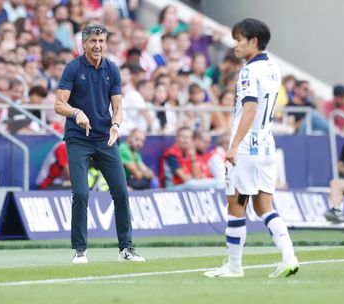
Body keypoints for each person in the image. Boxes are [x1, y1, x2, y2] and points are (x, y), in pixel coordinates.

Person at [204, 18, 299, 278]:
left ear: (253, 41)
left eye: (239, 39)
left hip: (246, 147)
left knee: (235, 207)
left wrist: (233, 145)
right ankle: (289, 257)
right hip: (266, 143)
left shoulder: (248, 72)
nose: (235, 45)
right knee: (264, 207)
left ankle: (234, 266)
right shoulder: (274, 68)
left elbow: (250, 108)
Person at [54, 23, 145, 264]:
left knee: (121, 192)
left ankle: (126, 248)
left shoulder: (112, 69)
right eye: (93, 41)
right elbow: (58, 104)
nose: (97, 45)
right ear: (84, 44)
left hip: (105, 138)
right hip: (78, 139)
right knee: (81, 194)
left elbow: (117, 107)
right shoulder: (73, 68)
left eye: (101, 41)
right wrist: (75, 113)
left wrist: (116, 126)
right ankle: (80, 251)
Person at [159, 126, 223, 190]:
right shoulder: (171, 154)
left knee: (220, 182)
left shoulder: (188, 153)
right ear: (177, 138)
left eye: (189, 138)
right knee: (217, 183)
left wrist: (193, 158)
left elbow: (197, 177)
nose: (186, 140)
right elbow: (185, 179)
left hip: (186, 185)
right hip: (173, 188)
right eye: (183, 137)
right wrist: (191, 178)